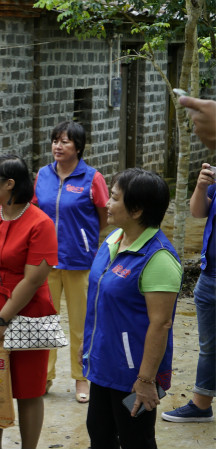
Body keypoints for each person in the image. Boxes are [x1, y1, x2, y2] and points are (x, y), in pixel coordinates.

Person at [82, 168, 182, 449]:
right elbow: (100, 298)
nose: (106, 204)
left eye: (114, 198)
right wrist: (87, 345)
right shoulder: (114, 239)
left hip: (133, 373)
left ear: (136, 210)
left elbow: (161, 323)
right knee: (99, 434)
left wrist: (146, 380)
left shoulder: (158, 258)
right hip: (103, 361)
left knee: (135, 439)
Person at [0, 155, 58, 449]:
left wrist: (4, 319)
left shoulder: (40, 223)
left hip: (26, 314)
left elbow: (32, 280)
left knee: (29, 391)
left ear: (9, 184)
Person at [32, 121, 109, 403]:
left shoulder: (92, 178)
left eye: (64, 141)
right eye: (55, 141)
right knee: (45, 322)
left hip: (80, 262)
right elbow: (35, 211)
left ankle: (81, 378)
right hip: (45, 263)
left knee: (81, 324)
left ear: (78, 147)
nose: (58, 146)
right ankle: (45, 376)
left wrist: (83, 240)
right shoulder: (42, 175)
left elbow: (104, 217)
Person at [161, 96, 216, 423]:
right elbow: (198, 212)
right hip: (210, 277)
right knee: (209, 346)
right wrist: (200, 185)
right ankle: (201, 403)